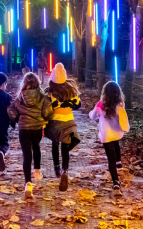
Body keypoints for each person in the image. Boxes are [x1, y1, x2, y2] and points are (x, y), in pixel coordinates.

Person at [7, 72, 53, 199]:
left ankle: (28, 184)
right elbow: (48, 112)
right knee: (36, 146)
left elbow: (10, 109)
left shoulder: (20, 97)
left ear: (25, 83)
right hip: (37, 128)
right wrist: (43, 118)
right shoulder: (42, 97)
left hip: (24, 129)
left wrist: (17, 119)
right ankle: (37, 172)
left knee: (26, 155)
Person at [88, 81, 130, 196]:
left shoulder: (101, 104)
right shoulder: (120, 104)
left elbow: (93, 116)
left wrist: (90, 113)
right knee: (116, 143)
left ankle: (116, 183)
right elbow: (123, 118)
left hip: (106, 135)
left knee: (110, 158)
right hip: (117, 133)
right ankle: (119, 163)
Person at [44, 63, 81, 191]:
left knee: (55, 144)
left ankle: (56, 168)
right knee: (65, 148)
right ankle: (65, 170)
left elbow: (45, 106)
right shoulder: (70, 89)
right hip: (68, 122)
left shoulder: (49, 91)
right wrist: (68, 104)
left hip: (54, 123)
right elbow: (78, 105)